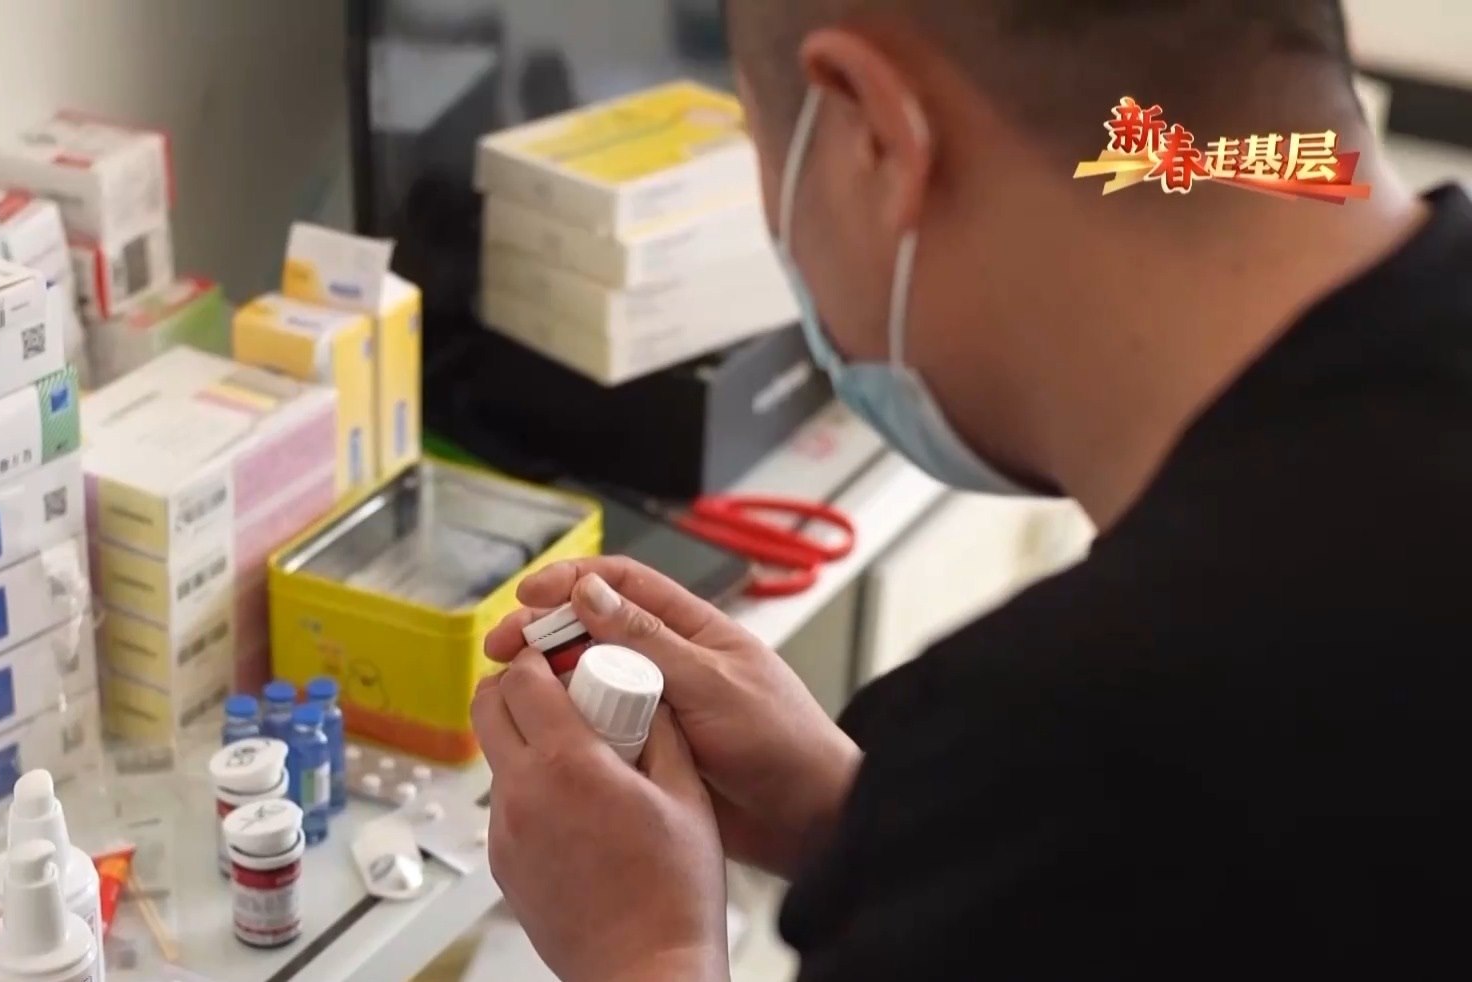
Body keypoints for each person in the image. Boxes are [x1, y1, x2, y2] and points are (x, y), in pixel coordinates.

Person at [471, 1, 1470, 979]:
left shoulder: (1080, 736)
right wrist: (876, 828)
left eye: (757, 149)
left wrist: (648, 950)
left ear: (870, 133)